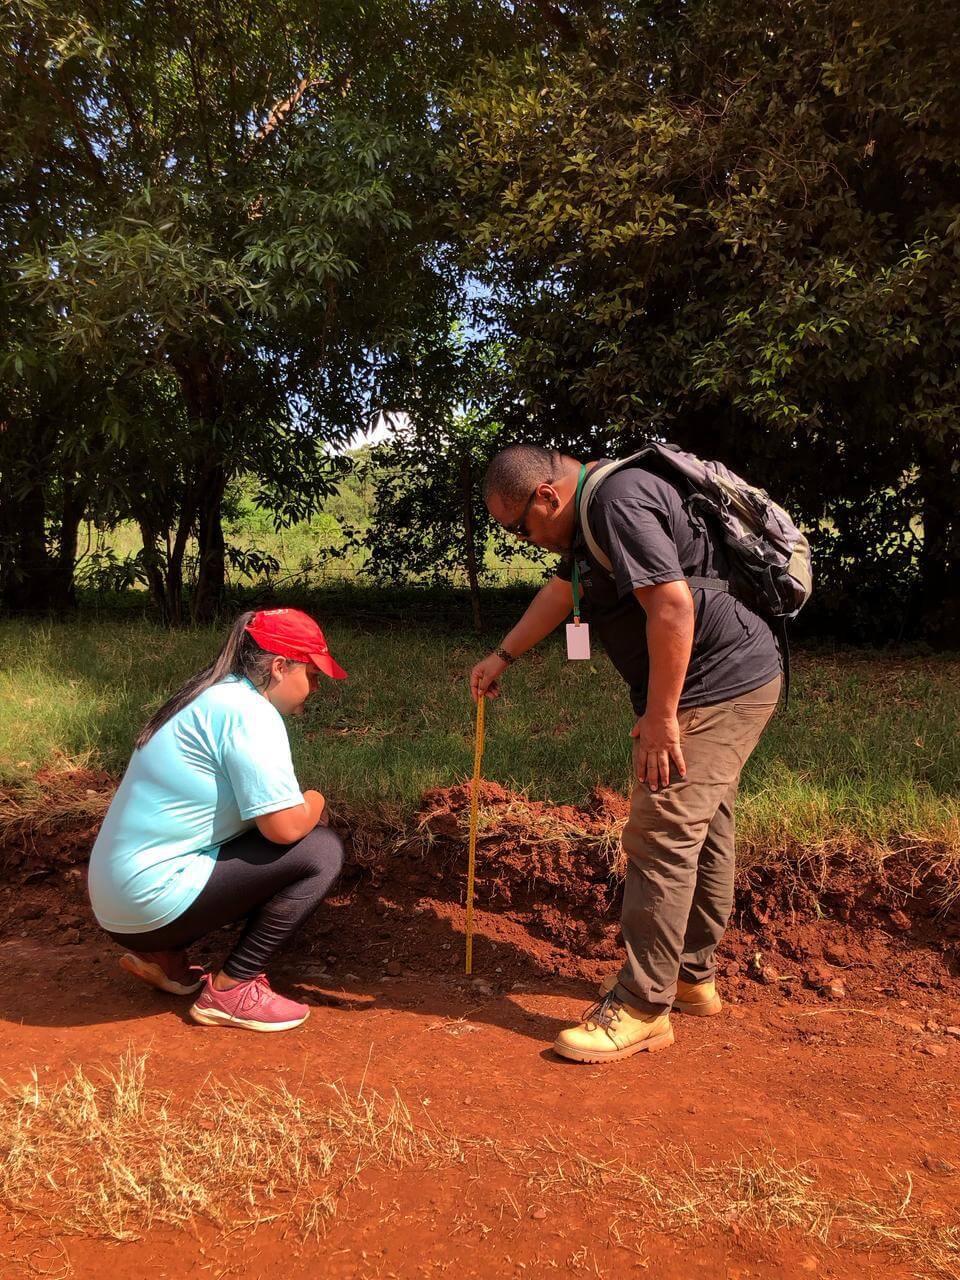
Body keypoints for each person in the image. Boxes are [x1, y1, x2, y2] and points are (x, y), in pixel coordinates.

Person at [471, 445, 782, 1064]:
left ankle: (642, 1006)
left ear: (546, 496)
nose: (524, 540)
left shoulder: (616, 502)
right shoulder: (592, 514)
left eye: (518, 527)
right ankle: (690, 979)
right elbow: (564, 592)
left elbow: (672, 604)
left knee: (661, 832)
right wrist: (502, 656)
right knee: (704, 828)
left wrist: (662, 719)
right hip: (727, 676)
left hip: (714, 685)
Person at [88, 607, 348, 1033]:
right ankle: (233, 989)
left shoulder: (209, 695)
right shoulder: (250, 713)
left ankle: (164, 958)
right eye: (313, 674)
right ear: (280, 667)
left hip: (117, 907)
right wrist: (315, 800)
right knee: (320, 849)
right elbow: (284, 829)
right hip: (150, 901)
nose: (316, 687)